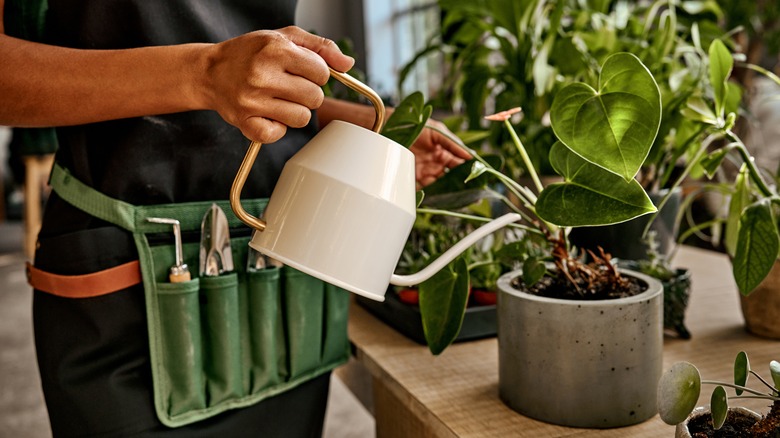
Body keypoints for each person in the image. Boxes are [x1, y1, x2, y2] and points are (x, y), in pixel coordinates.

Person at [0, 1, 470, 436]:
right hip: (127, 286)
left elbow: (256, 72)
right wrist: (204, 73)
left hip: (283, 267)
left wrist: (364, 129)